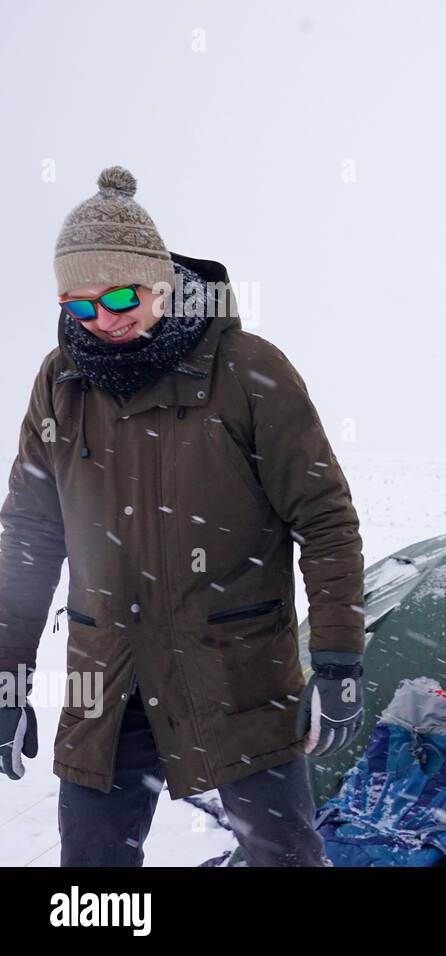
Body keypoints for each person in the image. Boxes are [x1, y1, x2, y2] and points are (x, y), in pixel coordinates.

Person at [0, 166, 366, 866]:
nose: (104, 320)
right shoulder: (59, 381)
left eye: (119, 294)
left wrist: (340, 660)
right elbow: (30, 536)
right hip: (106, 680)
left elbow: (323, 518)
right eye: (80, 306)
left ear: (161, 280)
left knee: (282, 856)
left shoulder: (250, 371)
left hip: (235, 678)